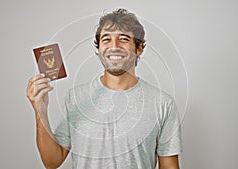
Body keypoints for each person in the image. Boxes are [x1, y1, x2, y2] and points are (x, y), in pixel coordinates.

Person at [26, 8, 182, 169]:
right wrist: (40, 111)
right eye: (106, 39)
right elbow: (52, 161)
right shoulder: (75, 97)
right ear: (99, 48)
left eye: (123, 39)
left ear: (139, 48)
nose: (114, 46)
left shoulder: (163, 104)